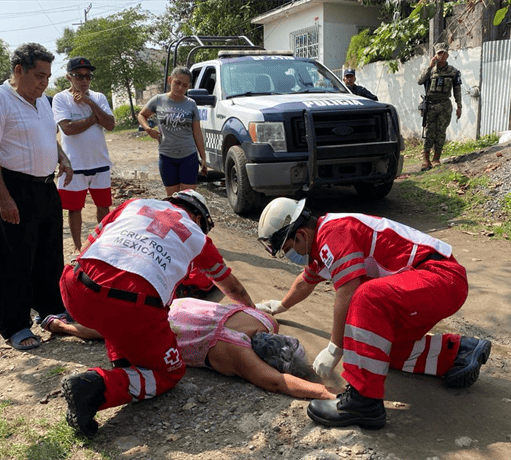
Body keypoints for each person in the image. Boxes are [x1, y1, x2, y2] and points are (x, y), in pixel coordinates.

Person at [256, 197, 491, 430]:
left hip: (441, 276)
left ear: (301, 236)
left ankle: (363, 401)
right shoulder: (322, 245)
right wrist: (279, 306)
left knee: (366, 297)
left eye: (288, 248)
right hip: (435, 281)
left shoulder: (333, 232)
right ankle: (460, 352)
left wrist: (334, 348)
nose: (291, 255)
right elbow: (306, 281)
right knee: (378, 349)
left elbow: (348, 290)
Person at [59, 190, 257, 436]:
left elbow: (87, 248)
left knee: (115, 311)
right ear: (198, 218)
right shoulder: (196, 236)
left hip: (74, 288)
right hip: (129, 307)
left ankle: (123, 363)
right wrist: (255, 314)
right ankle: (97, 386)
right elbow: (232, 287)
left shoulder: (133, 204)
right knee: (170, 372)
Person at [0, 43, 73, 351]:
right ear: (19, 70)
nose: (44, 82)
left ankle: (51, 310)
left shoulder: (43, 100)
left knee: (48, 252)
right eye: (38, 75)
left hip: (45, 187)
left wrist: (62, 157)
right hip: (14, 187)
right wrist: (3, 198)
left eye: (47, 76)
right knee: (16, 259)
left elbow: (49, 135)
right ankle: (15, 325)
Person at [42, 298, 337, 401]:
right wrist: (325, 392)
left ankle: (66, 323)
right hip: (159, 326)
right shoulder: (235, 350)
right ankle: (66, 327)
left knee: (110, 324)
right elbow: (276, 382)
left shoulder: (266, 320)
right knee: (107, 332)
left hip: (179, 305)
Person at [52, 57, 115, 256]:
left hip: (100, 163)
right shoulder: (60, 99)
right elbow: (68, 128)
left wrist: (89, 102)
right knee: (74, 209)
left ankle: (102, 245)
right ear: (68, 77)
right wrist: (95, 118)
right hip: (74, 165)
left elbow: (110, 124)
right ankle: (78, 248)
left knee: (103, 207)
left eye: (88, 76)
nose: (84, 80)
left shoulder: (98, 97)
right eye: (79, 76)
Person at [137, 66, 207, 196]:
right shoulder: (159, 100)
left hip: (188, 156)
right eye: (177, 83)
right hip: (167, 157)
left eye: (185, 85)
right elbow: (141, 115)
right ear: (170, 80)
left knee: (188, 198)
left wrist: (203, 157)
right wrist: (148, 129)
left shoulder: (191, 104)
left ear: (188, 87)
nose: (180, 88)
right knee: (172, 199)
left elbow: (197, 133)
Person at [417, 42, 462, 171]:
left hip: (444, 106)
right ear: (435, 55)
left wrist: (459, 106)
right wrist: (430, 67)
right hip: (431, 105)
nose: (441, 56)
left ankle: (436, 158)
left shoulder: (453, 72)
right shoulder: (430, 70)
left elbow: (457, 90)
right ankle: (426, 160)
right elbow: (419, 81)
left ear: (447, 54)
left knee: (440, 132)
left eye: (444, 53)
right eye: (439, 53)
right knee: (429, 132)